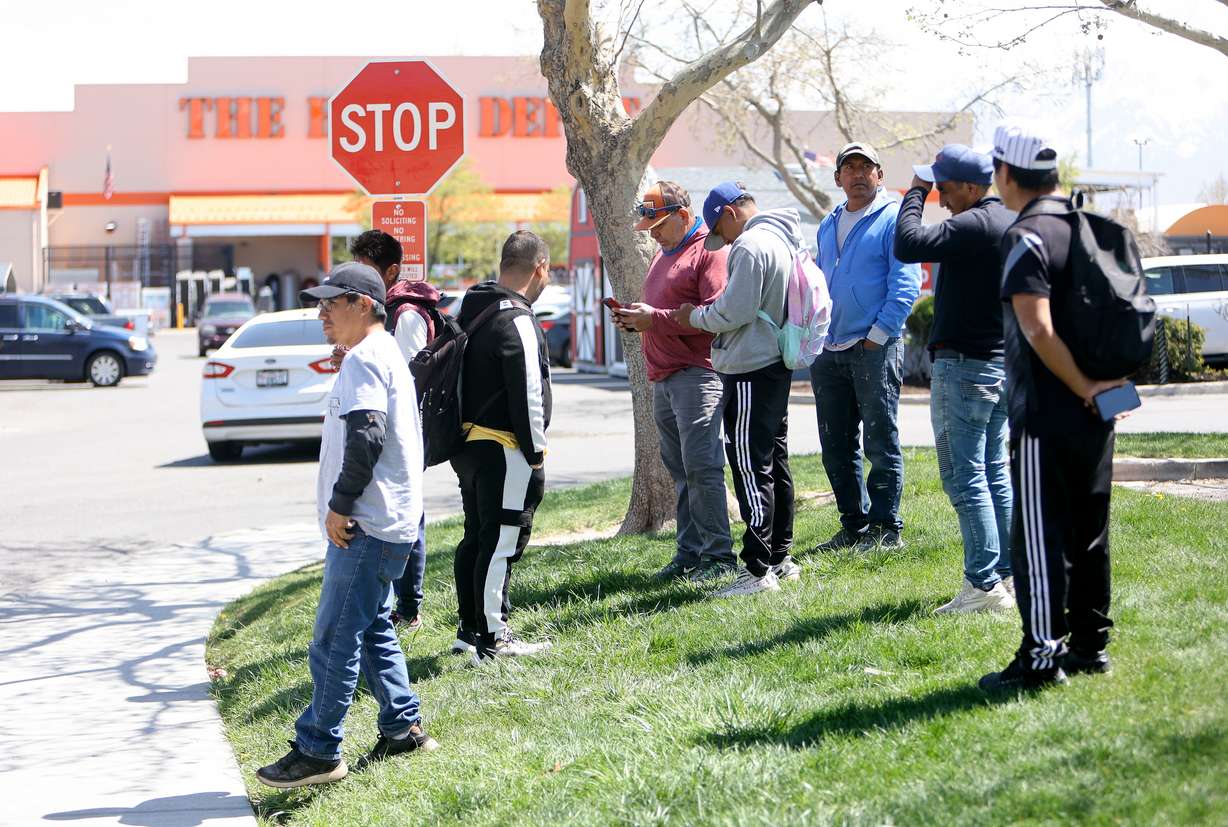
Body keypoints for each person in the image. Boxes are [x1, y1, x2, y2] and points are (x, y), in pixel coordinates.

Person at [256, 262, 436, 789]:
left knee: (334, 636)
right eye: (319, 304)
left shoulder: (364, 360)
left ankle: (318, 750)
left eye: (331, 303)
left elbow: (367, 437)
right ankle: (402, 727)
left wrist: (340, 505)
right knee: (375, 625)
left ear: (363, 305)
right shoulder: (378, 356)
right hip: (389, 521)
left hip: (366, 524)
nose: (321, 313)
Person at [979, 123, 1126, 691]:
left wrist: (1082, 386)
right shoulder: (1094, 227)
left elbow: (1037, 328)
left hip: (1048, 410)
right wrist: (1107, 388)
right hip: (1104, 405)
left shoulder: (1028, 235)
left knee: (1040, 537)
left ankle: (1041, 658)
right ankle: (1092, 647)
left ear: (1007, 174)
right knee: (1091, 528)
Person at [894, 145, 1017, 614]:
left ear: (970, 187)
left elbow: (906, 243)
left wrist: (914, 192)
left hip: (965, 366)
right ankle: (1005, 574)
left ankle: (983, 586)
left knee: (965, 477)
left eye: (943, 189)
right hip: (1000, 365)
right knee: (993, 472)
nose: (940, 199)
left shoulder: (975, 223)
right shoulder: (1008, 220)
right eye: (934, 189)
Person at [671, 182, 801, 598]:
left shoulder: (748, 246)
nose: (721, 240)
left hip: (749, 367)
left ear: (729, 213)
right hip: (775, 361)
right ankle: (781, 557)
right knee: (774, 462)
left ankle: (757, 570)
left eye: (719, 229)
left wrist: (696, 316)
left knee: (749, 466)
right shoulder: (782, 237)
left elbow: (735, 311)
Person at [613, 181, 736, 582]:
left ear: (683, 216)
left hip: (697, 375)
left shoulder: (707, 252)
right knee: (682, 471)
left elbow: (714, 314)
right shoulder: (666, 254)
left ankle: (719, 557)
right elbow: (667, 311)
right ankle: (689, 553)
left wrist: (656, 320)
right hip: (665, 377)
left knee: (702, 467)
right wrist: (637, 320)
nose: (652, 233)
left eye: (659, 225)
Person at [810, 142, 922, 552]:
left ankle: (885, 528)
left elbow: (908, 282)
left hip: (874, 346)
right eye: (849, 167)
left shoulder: (893, 219)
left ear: (879, 175)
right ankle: (853, 525)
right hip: (830, 348)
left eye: (866, 167)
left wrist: (880, 334)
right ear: (838, 177)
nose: (857, 174)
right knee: (835, 443)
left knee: (879, 440)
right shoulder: (828, 223)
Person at [451, 231, 554, 663]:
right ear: (539, 268)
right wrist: (535, 453)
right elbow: (529, 393)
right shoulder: (517, 320)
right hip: (504, 448)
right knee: (501, 540)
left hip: (468, 446)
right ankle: (493, 637)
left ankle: (469, 631)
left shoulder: (472, 309)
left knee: (476, 536)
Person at [344, 230, 438, 631]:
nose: (357, 280)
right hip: (392, 427)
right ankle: (394, 601)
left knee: (407, 512)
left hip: (406, 430)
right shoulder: (385, 313)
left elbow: (409, 378)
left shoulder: (407, 314)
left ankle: (409, 605)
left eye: (366, 269)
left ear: (391, 270)